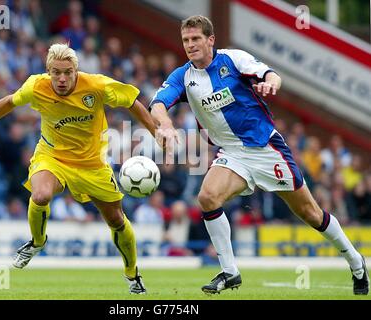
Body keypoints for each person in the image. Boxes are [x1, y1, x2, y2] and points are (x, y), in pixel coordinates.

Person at [150, 15, 369, 295]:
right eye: (186, 40)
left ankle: (355, 261)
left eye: (195, 39)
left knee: (310, 213)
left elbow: (271, 74)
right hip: (232, 153)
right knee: (207, 197)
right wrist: (166, 125)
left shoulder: (232, 60)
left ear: (210, 40)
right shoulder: (183, 76)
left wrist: (271, 83)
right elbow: (157, 104)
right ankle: (230, 272)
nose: (190, 45)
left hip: (266, 149)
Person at [0, 43, 158, 295]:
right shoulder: (36, 86)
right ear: (48, 71)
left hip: (92, 164)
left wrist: (155, 130)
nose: (61, 79)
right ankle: (37, 241)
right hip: (52, 156)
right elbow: (8, 102)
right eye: (56, 72)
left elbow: (131, 101)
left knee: (116, 220)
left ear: (76, 71)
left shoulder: (96, 85)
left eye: (67, 72)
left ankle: (132, 275)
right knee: (40, 195)